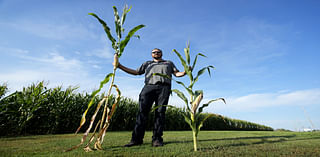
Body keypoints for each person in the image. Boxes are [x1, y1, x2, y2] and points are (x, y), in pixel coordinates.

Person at [113, 48, 186, 147]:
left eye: (158, 52)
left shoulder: (168, 63)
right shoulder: (147, 63)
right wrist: (120, 66)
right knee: (142, 113)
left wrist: (185, 72)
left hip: (164, 88)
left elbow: (177, 73)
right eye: (154, 52)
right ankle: (136, 140)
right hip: (149, 87)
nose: (156, 53)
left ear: (161, 53)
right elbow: (135, 72)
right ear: (151, 54)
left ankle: (157, 139)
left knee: (160, 113)